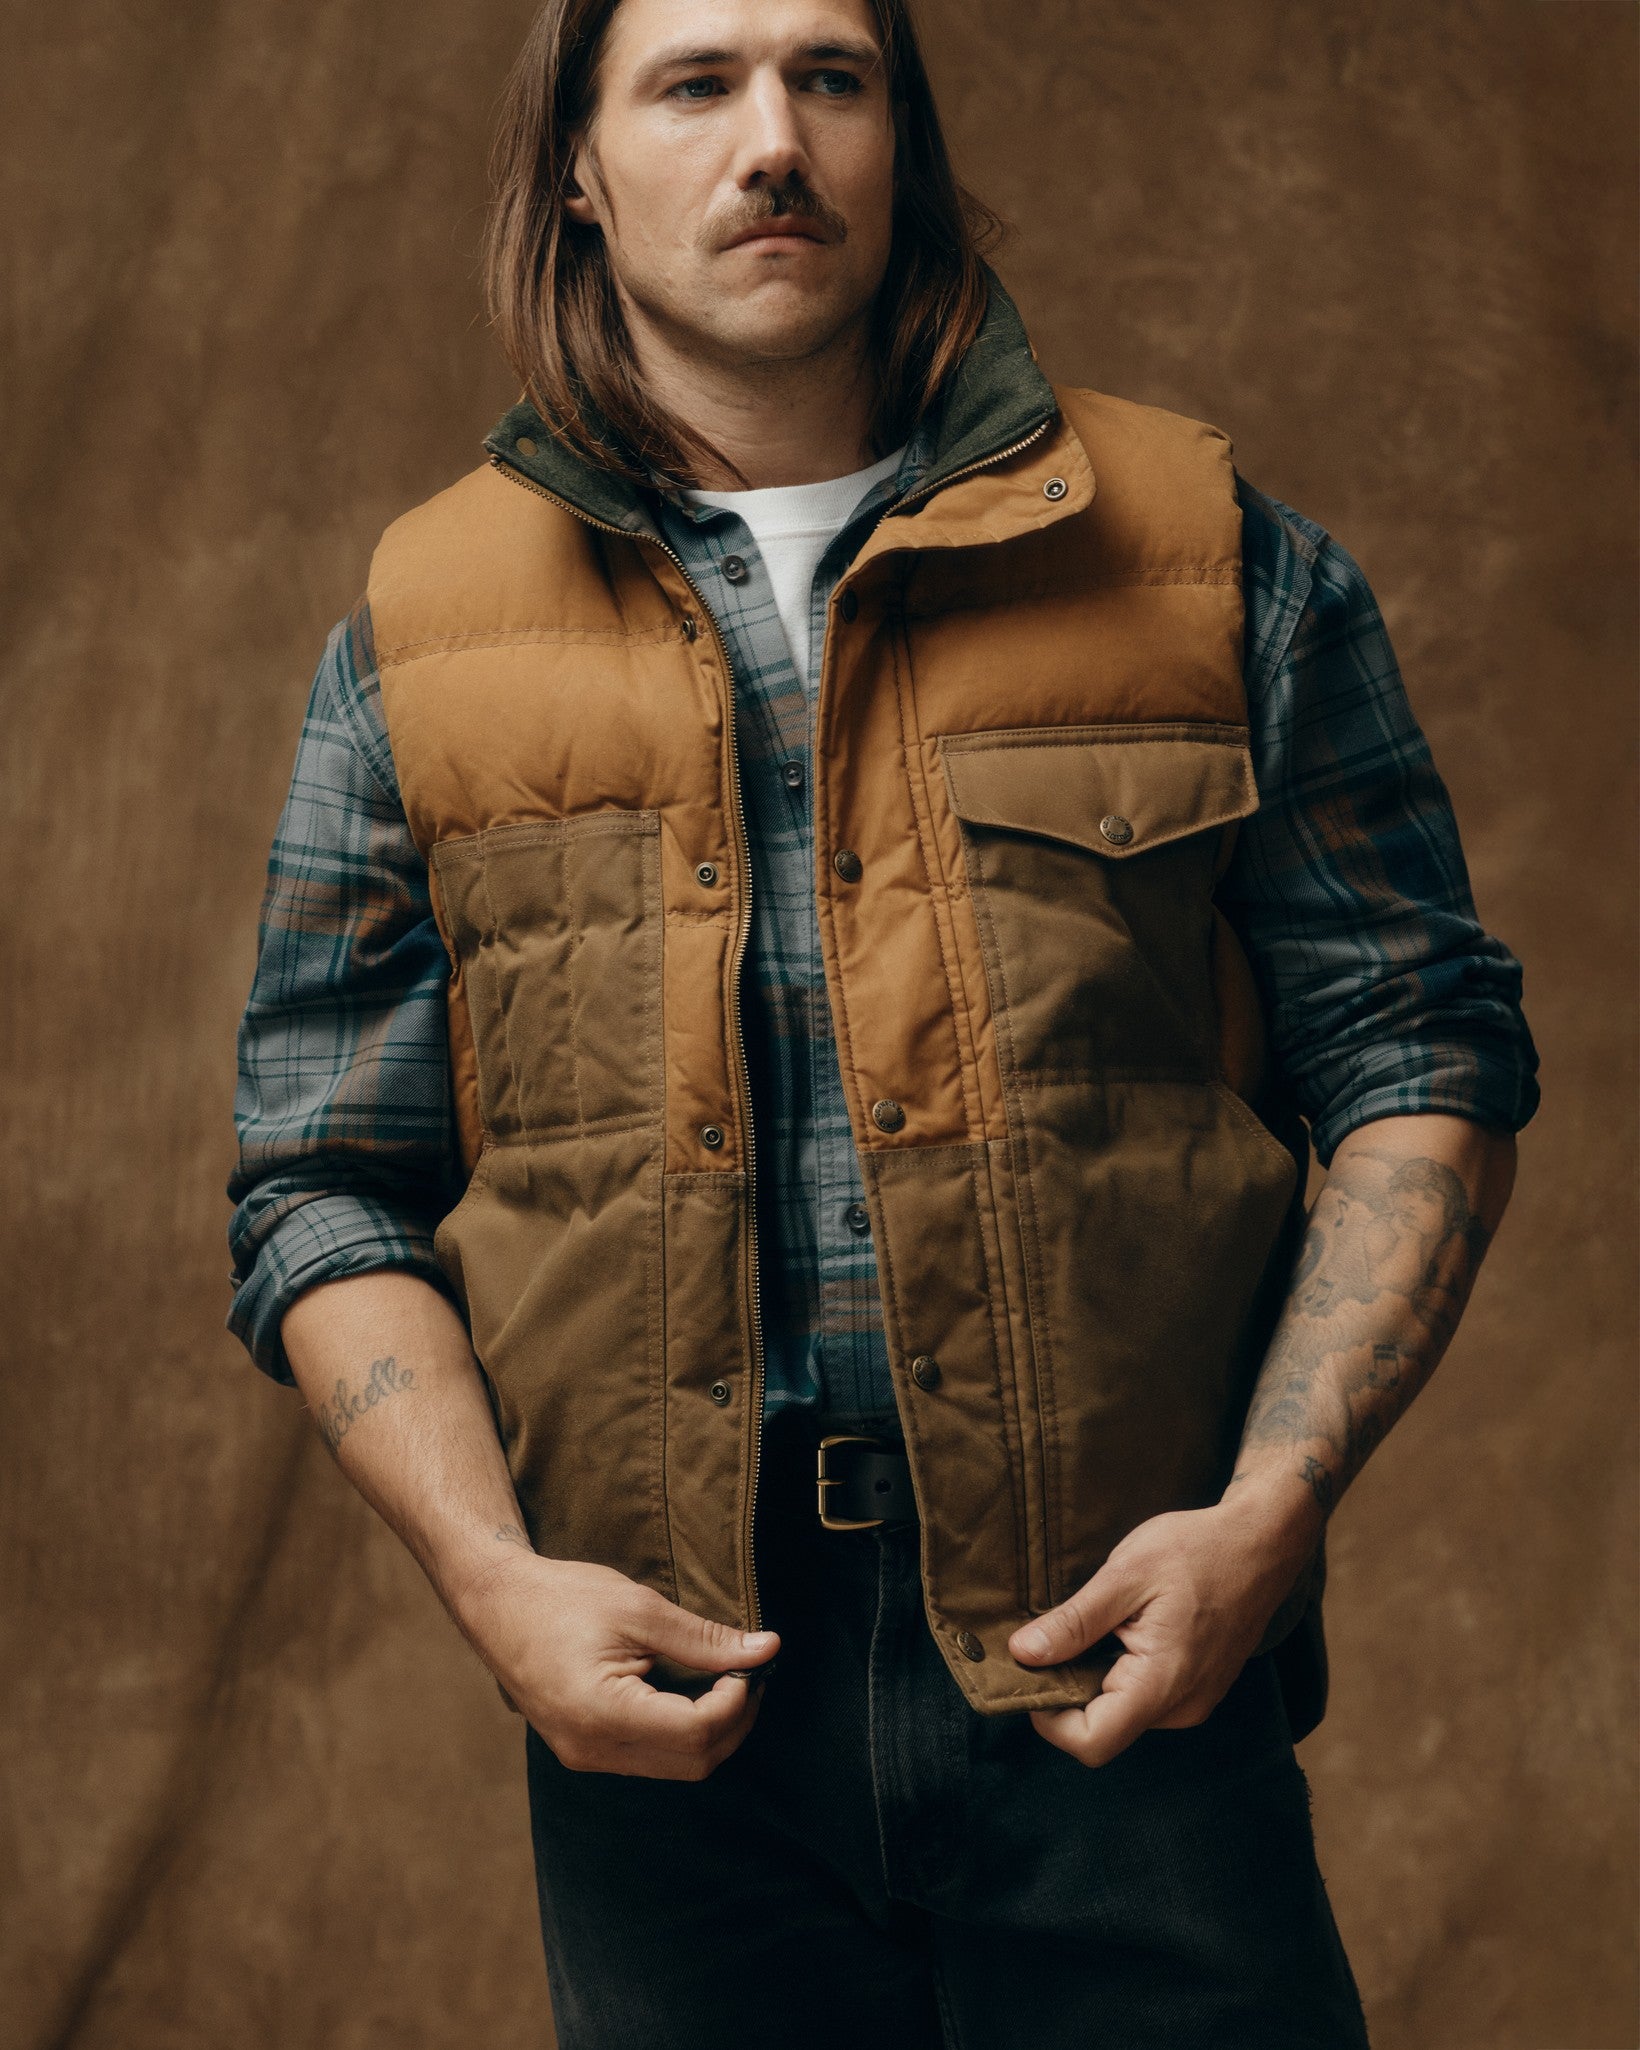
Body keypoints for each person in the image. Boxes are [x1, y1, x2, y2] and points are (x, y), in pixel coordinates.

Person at [224, 1, 1540, 2042]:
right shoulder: (422, 633)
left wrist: (1273, 1504)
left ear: (898, 136)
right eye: (696, 83)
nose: (776, 139)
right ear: (575, 169)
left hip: (1124, 1661)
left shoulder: (1207, 561)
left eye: (830, 77)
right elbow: (321, 1178)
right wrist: (495, 1578)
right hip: (677, 1709)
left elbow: (1423, 1049)